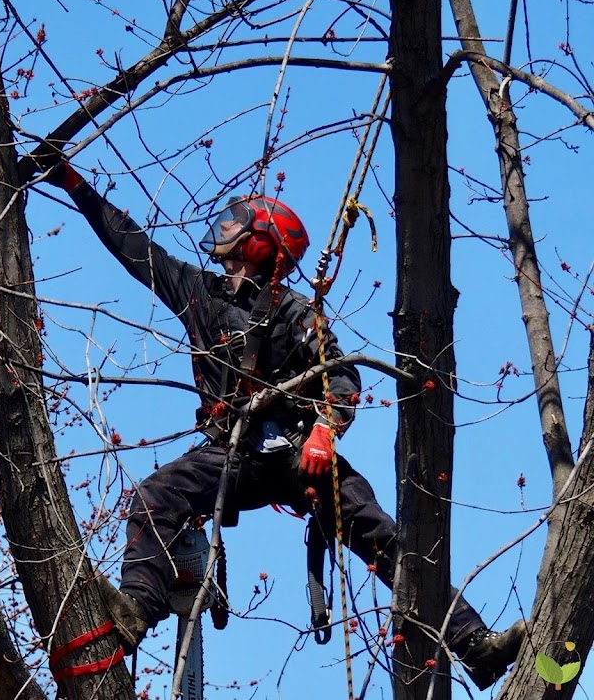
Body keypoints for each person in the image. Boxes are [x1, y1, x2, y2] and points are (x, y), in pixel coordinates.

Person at [40, 159, 525, 690]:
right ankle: (134, 610)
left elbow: (341, 377)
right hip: (233, 453)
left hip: (298, 452)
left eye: (233, 222)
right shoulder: (201, 294)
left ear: (260, 242)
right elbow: (133, 246)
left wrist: (324, 429)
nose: (222, 227)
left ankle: (475, 645)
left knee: (379, 532)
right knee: (156, 497)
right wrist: (74, 184)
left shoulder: (296, 312)